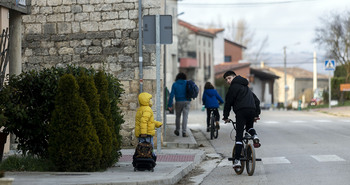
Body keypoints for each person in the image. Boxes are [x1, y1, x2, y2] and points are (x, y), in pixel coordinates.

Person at [222, 71, 261, 169]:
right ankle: (254, 135)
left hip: (241, 112)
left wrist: (225, 116)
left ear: (234, 77)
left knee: (239, 136)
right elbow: (256, 101)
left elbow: (228, 103)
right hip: (251, 110)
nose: (228, 81)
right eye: (226, 80)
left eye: (229, 78)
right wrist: (256, 114)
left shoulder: (233, 87)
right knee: (249, 128)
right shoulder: (246, 87)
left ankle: (237, 160)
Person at [167, 72, 191, 137]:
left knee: (178, 116)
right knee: (185, 117)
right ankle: (184, 132)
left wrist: (169, 105)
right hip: (187, 101)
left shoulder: (175, 84)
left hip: (178, 102)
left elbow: (171, 95)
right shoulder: (187, 83)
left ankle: (177, 130)